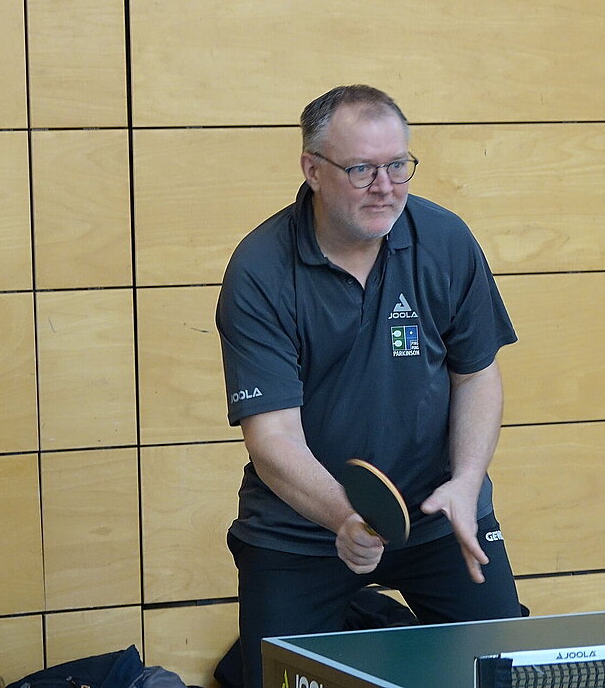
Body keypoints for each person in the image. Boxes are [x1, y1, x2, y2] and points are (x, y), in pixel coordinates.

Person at [215, 84, 523, 686]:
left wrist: (467, 481)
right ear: (313, 170)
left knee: (502, 673)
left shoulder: (445, 240)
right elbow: (273, 438)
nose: (385, 187)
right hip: (301, 528)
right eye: (361, 169)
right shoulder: (260, 270)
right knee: (272, 678)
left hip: (439, 514)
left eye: (398, 165)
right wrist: (344, 517)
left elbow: (476, 374)